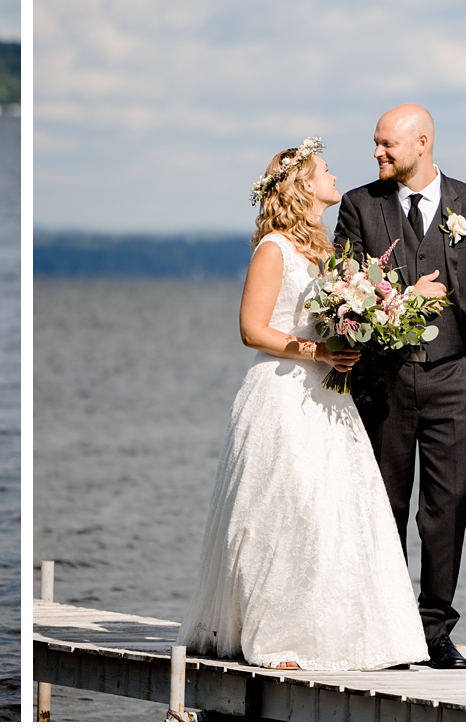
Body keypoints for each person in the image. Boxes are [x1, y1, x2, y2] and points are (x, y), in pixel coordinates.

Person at [180, 138, 430, 671]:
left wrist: (388, 315)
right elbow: (251, 329)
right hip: (283, 393)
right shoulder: (273, 248)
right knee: (289, 510)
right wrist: (319, 350)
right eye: (326, 170)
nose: (335, 176)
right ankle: (276, 638)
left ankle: (347, 636)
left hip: (327, 397)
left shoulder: (326, 251)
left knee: (335, 513)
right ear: (303, 185)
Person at [333, 104, 466, 670]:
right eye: (376, 144)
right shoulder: (360, 206)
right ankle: (382, 628)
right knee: (383, 506)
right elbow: (345, 292)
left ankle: (435, 631)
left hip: (455, 380)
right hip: (383, 381)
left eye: (388, 144)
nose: (378, 153)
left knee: (446, 508)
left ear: (422, 142)